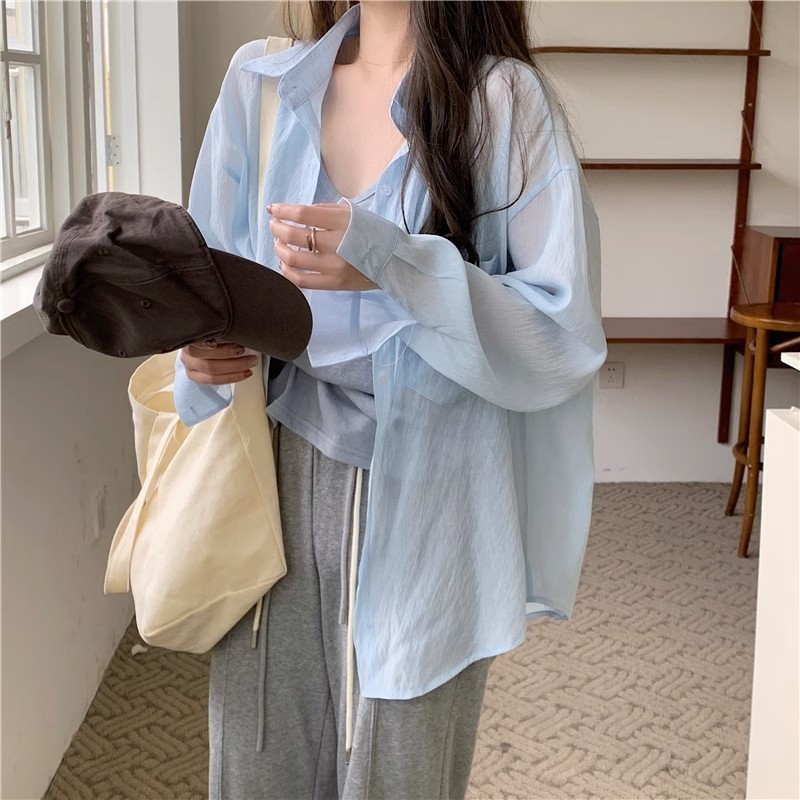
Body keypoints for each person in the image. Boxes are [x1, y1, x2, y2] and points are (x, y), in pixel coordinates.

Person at [175, 1, 607, 798]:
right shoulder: (260, 84)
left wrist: (394, 263)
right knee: (257, 761)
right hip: (274, 473)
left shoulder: (503, 102)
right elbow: (212, 276)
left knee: (401, 771)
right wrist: (201, 347)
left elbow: (561, 335)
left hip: (436, 492)